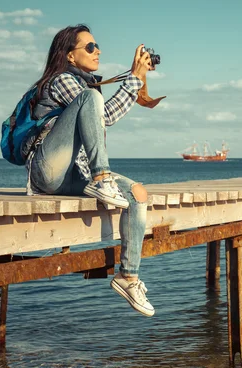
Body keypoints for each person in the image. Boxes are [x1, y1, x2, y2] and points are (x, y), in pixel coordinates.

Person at [23, 24, 155, 317]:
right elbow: (104, 114)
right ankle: (102, 178)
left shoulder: (86, 88)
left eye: (97, 47)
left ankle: (129, 277)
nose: (99, 52)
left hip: (76, 174)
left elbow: (102, 118)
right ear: (70, 56)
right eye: (91, 47)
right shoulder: (60, 80)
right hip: (48, 170)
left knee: (137, 194)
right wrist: (133, 79)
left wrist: (137, 78)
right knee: (92, 97)